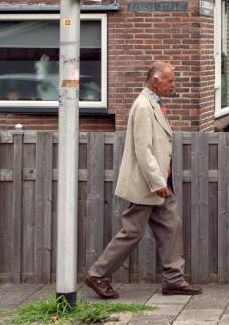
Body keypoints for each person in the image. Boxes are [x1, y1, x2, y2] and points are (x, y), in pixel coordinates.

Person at [83, 61, 202, 298]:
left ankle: (173, 280)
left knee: (171, 227)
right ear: (155, 81)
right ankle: (97, 274)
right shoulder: (143, 106)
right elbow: (143, 149)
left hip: (160, 182)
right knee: (133, 231)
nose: (173, 85)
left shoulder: (153, 104)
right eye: (170, 81)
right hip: (149, 184)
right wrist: (157, 182)